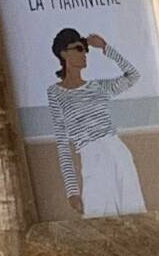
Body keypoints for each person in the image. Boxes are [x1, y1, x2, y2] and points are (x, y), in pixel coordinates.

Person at [43, 28, 143, 214]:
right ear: (64, 53)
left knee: (134, 216)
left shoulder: (98, 87)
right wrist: (72, 190)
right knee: (99, 220)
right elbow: (63, 144)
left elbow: (133, 76)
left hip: (117, 152)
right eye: (78, 49)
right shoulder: (55, 93)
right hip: (91, 157)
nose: (84, 55)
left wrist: (105, 48)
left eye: (86, 50)